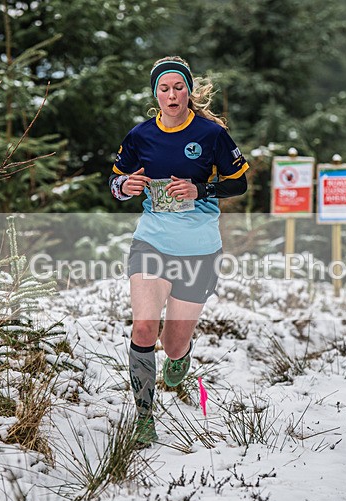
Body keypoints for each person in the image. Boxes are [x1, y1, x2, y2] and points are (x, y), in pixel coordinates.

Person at [108, 56, 249, 446]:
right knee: (143, 327)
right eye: (164, 89)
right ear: (156, 94)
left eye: (179, 87)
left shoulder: (210, 134)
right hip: (151, 242)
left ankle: (181, 354)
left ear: (188, 91)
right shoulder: (140, 136)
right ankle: (143, 419)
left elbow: (239, 184)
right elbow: (116, 180)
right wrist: (125, 188)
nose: (172, 95)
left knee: (172, 344)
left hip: (200, 251)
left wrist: (199, 189)